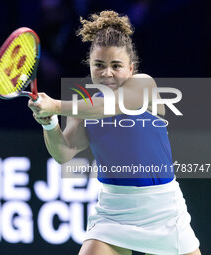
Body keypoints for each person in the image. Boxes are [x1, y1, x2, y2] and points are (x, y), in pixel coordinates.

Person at [28, 10, 201, 255]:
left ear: (131, 68)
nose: (107, 73)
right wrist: (49, 124)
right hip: (113, 211)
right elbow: (63, 152)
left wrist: (55, 105)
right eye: (99, 65)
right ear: (90, 66)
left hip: (163, 209)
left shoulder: (143, 84)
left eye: (116, 66)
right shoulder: (81, 105)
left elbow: (110, 106)